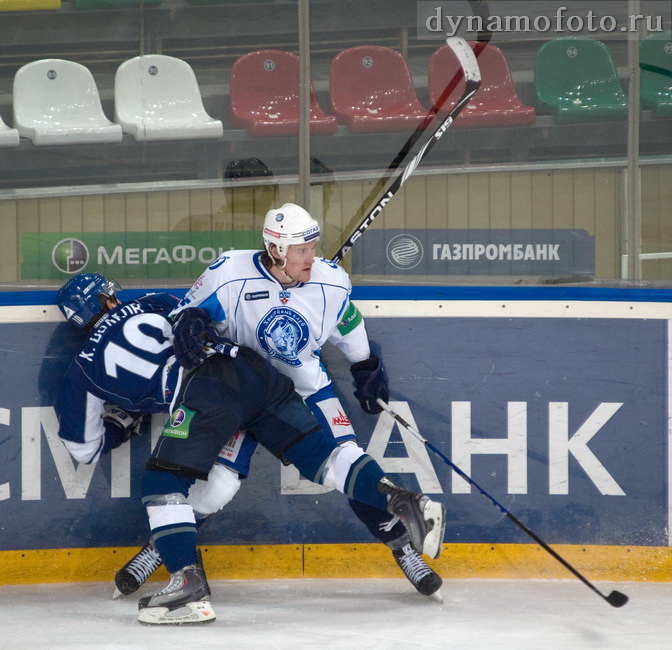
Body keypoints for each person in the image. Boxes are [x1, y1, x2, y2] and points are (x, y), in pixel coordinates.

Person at [55, 273, 446, 625]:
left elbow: (84, 447)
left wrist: (120, 424)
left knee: (161, 483)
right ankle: (403, 498)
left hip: (220, 394)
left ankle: (185, 582)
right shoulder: (157, 297)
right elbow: (197, 318)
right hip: (255, 372)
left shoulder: (81, 370)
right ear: (108, 300)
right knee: (324, 460)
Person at [164, 202, 443, 597]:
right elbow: (183, 318)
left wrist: (364, 366)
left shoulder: (329, 280)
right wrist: (191, 320)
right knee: (217, 488)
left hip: (306, 389)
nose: (312, 257)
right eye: (302, 250)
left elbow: (346, 320)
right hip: (242, 394)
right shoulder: (228, 274)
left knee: (349, 461)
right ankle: (173, 549)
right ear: (276, 250)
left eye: (313, 247)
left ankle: (401, 545)